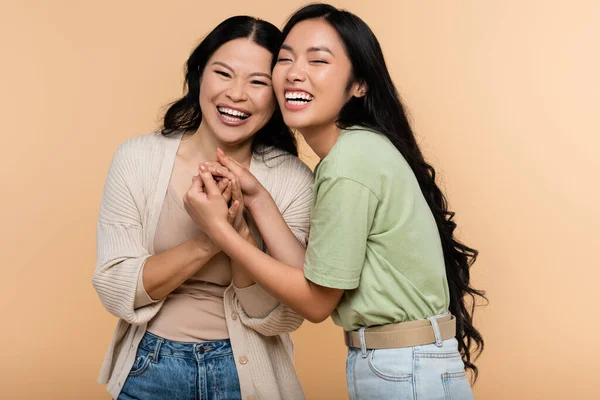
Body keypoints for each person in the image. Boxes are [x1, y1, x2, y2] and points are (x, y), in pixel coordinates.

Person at [185, 4, 486, 400]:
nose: (295, 72)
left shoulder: (349, 161)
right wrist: (258, 197)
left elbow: (316, 303)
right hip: (406, 363)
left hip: (402, 368)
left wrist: (220, 231)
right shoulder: (359, 149)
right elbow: (313, 277)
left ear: (359, 85)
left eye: (318, 60)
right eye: (286, 58)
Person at [92, 15, 313, 400]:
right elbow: (116, 288)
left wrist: (237, 233)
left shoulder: (293, 181)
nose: (237, 94)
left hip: (248, 375)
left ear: (278, 95)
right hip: (150, 364)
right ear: (199, 75)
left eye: (258, 82)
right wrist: (211, 238)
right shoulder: (137, 158)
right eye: (224, 73)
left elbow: (283, 315)